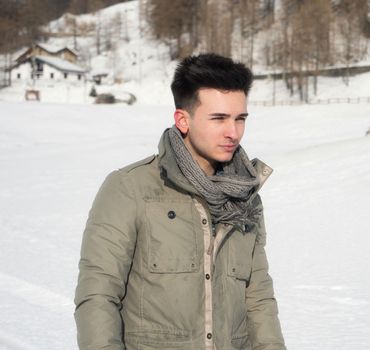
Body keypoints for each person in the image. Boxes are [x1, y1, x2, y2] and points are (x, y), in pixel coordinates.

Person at [74, 53, 286, 350]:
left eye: (240, 119)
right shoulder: (129, 188)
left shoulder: (246, 196)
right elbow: (97, 295)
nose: (233, 132)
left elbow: (258, 297)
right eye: (219, 118)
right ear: (183, 120)